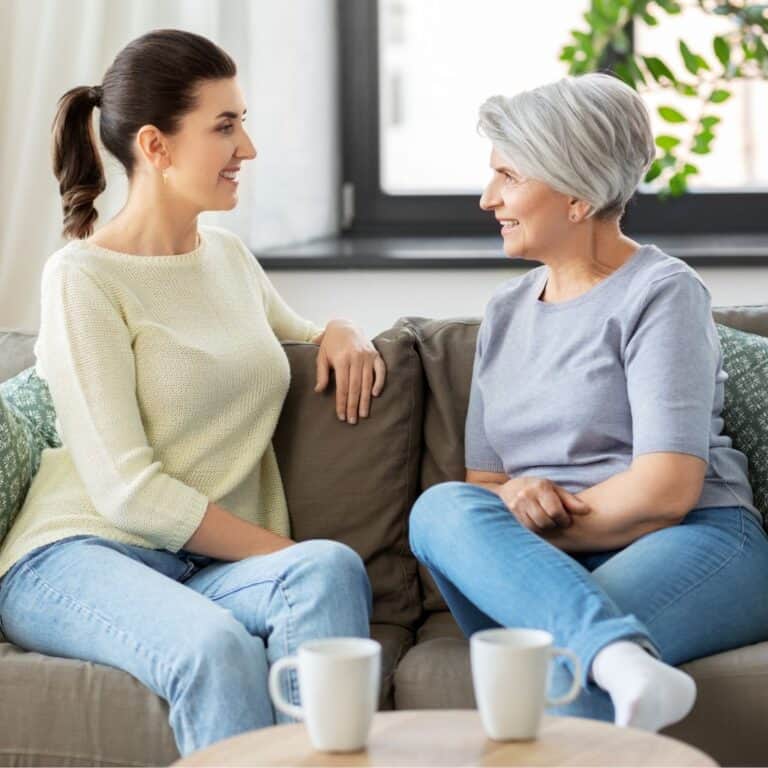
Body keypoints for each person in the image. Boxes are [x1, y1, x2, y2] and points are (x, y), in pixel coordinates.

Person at [0, 29, 385, 757]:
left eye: (243, 122)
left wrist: (341, 328)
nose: (249, 149)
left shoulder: (230, 259)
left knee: (329, 565)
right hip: (80, 554)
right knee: (215, 646)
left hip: (202, 569)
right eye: (225, 126)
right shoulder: (83, 278)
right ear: (156, 145)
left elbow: (295, 337)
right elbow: (127, 491)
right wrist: (274, 551)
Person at [409, 72, 768, 733]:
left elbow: (666, 490)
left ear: (576, 195)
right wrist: (513, 500)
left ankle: (600, 651)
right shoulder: (505, 312)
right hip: (544, 566)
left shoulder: (661, 293)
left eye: (508, 176)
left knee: (554, 663)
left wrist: (532, 527)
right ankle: (615, 653)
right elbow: (484, 485)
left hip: (695, 540)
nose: (488, 198)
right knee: (438, 510)